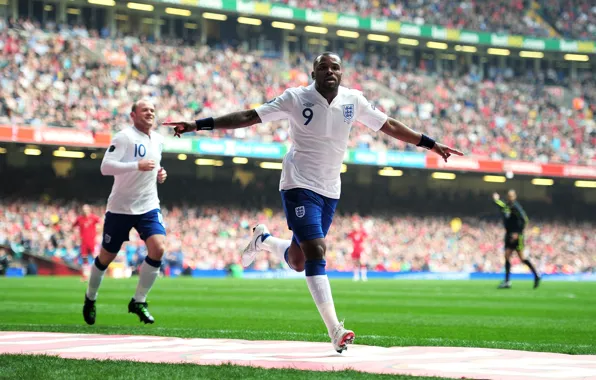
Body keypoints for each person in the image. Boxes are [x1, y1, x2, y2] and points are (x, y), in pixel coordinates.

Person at [165, 52, 463, 353]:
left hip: (330, 189)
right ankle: (335, 330)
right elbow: (249, 116)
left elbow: (389, 125)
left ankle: (264, 240)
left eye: (335, 67)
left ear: (342, 73)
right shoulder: (295, 98)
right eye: (323, 67)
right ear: (313, 72)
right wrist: (197, 124)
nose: (330, 71)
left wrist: (429, 143)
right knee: (316, 250)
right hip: (298, 183)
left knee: (298, 260)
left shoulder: (353, 101)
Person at [83, 99, 168, 326]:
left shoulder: (158, 140)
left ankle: (138, 300)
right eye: (144, 110)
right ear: (133, 115)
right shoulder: (124, 137)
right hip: (121, 208)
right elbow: (106, 167)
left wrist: (160, 173)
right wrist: (136, 166)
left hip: (148, 205)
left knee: (158, 248)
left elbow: (154, 165)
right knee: (106, 257)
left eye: (152, 109)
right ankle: (90, 298)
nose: (150, 113)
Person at [493, 190, 541, 289]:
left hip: (517, 236)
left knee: (522, 258)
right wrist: (496, 200)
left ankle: (536, 275)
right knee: (507, 256)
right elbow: (501, 206)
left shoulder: (516, 207)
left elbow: (525, 219)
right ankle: (507, 281)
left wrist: (518, 233)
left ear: (514, 197)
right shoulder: (507, 206)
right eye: (509, 196)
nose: (510, 197)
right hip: (509, 234)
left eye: (511, 196)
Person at [73, 204, 101, 281]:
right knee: (84, 258)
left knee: (95, 257)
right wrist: (77, 237)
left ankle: (98, 273)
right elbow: (74, 226)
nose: (85, 211)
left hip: (92, 241)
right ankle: (85, 275)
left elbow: (101, 224)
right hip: (84, 242)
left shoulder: (94, 217)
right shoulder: (79, 219)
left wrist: (98, 235)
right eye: (83, 209)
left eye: (86, 209)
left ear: (89, 210)